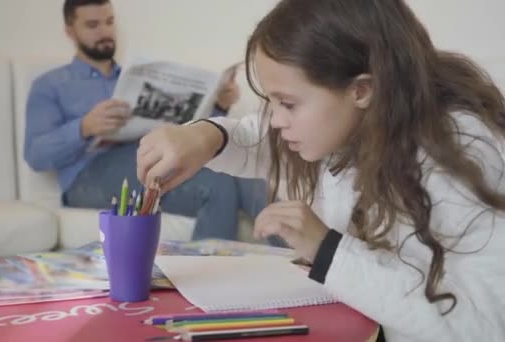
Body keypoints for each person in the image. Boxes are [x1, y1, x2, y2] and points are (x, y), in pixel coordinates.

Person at [136, 0, 505, 340]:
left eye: (288, 104)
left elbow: (483, 324)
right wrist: (205, 135)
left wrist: (327, 249)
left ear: (362, 89)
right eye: (271, 101)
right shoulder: (358, 118)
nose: (275, 120)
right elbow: (254, 134)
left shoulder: (460, 151)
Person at [24, 0, 267, 240]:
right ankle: (212, 276)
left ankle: (298, 260)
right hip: (89, 174)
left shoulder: (137, 74)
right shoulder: (51, 84)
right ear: (70, 31)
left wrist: (220, 105)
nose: (105, 31)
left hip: (152, 157)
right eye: (92, 25)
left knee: (241, 171)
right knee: (216, 182)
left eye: (109, 22)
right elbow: (36, 155)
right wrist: (83, 127)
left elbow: (189, 130)